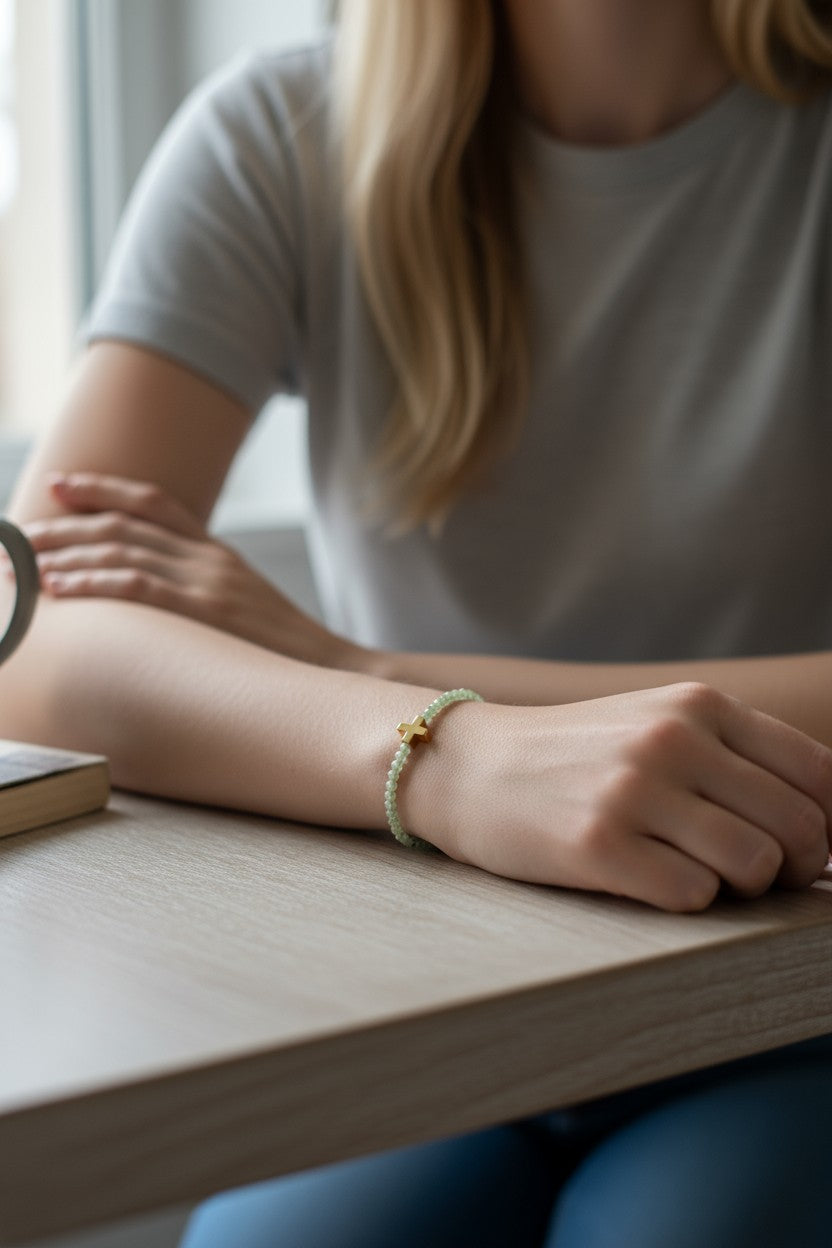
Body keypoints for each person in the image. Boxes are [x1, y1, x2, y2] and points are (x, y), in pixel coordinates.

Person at [1, 0, 831, 1243]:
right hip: (428, 992)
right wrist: (447, 761)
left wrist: (365, 670)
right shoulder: (281, 133)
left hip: (789, 990)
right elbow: (36, 638)